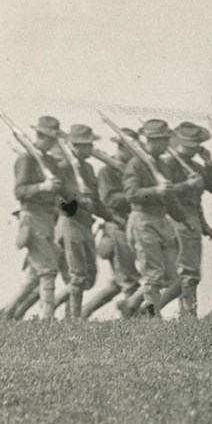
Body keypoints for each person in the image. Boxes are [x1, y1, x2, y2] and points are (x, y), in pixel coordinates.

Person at [122, 119, 191, 318]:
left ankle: (133, 307)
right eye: (162, 140)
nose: (166, 144)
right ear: (150, 140)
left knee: (173, 277)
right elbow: (131, 194)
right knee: (152, 274)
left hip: (162, 221)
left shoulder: (162, 164)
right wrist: (155, 190)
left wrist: (184, 218)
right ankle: (154, 320)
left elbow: (170, 198)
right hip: (143, 219)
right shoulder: (135, 164)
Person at [5, 116, 64, 319]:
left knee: (33, 275)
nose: (54, 143)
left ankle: (7, 313)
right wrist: (42, 187)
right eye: (50, 139)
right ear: (41, 137)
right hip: (32, 217)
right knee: (47, 270)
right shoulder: (27, 159)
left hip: (48, 218)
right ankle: (47, 318)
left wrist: (55, 189)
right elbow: (20, 191)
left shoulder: (48, 161)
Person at [162, 122, 212, 316]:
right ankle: (186, 317)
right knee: (186, 273)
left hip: (193, 219)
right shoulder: (169, 164)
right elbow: (166, 194)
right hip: (177, 219)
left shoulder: (195, 165)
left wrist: (209, 163)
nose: (195, 149)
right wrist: (187, 185)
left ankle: (187, 314)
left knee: (190, 272)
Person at [83, 128, 141, 318]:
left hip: (129, 227)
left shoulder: (133, 170)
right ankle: (138, 321)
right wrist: (135, 193)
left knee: (118, 282)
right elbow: (109, 200)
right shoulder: (107, 171)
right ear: (122, 147)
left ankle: (81, 314)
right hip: (117, 227)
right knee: (130, 280)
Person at [56, 124, 112, 318]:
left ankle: (67, 312)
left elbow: (95, 201)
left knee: (89, 277)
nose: (90, 149)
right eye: (86, 145)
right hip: (71, 224)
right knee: (78, 276)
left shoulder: (87, 168)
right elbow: (59, 203)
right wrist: (79, 200)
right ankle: (73, 319)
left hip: (86, 225)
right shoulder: (63, 167)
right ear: (75, 146)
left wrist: (113, 217)